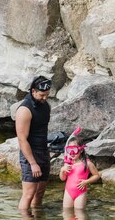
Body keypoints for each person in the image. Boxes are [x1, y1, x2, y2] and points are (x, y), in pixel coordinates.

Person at [15, 75, 52, 212]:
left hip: (43, 151)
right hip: (30, 154)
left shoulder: (45, 105)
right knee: (29, 194)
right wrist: (32, 163)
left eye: (47, 95)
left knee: (40, 192)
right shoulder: (24, 110)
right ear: (33, 91)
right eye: (42, 95)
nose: (45, 98)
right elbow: (22, 139)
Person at [59, 137, 100, 209]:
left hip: (80, 193)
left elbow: (96, 175)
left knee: (80, 214)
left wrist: (86, 181)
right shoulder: (68, 164)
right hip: (68, 192)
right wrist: (62, 170)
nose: (71, 152)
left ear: (81, 150)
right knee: (67, 213)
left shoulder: (87, 163)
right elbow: (63, 178)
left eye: (74, 149)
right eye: (69, 149)